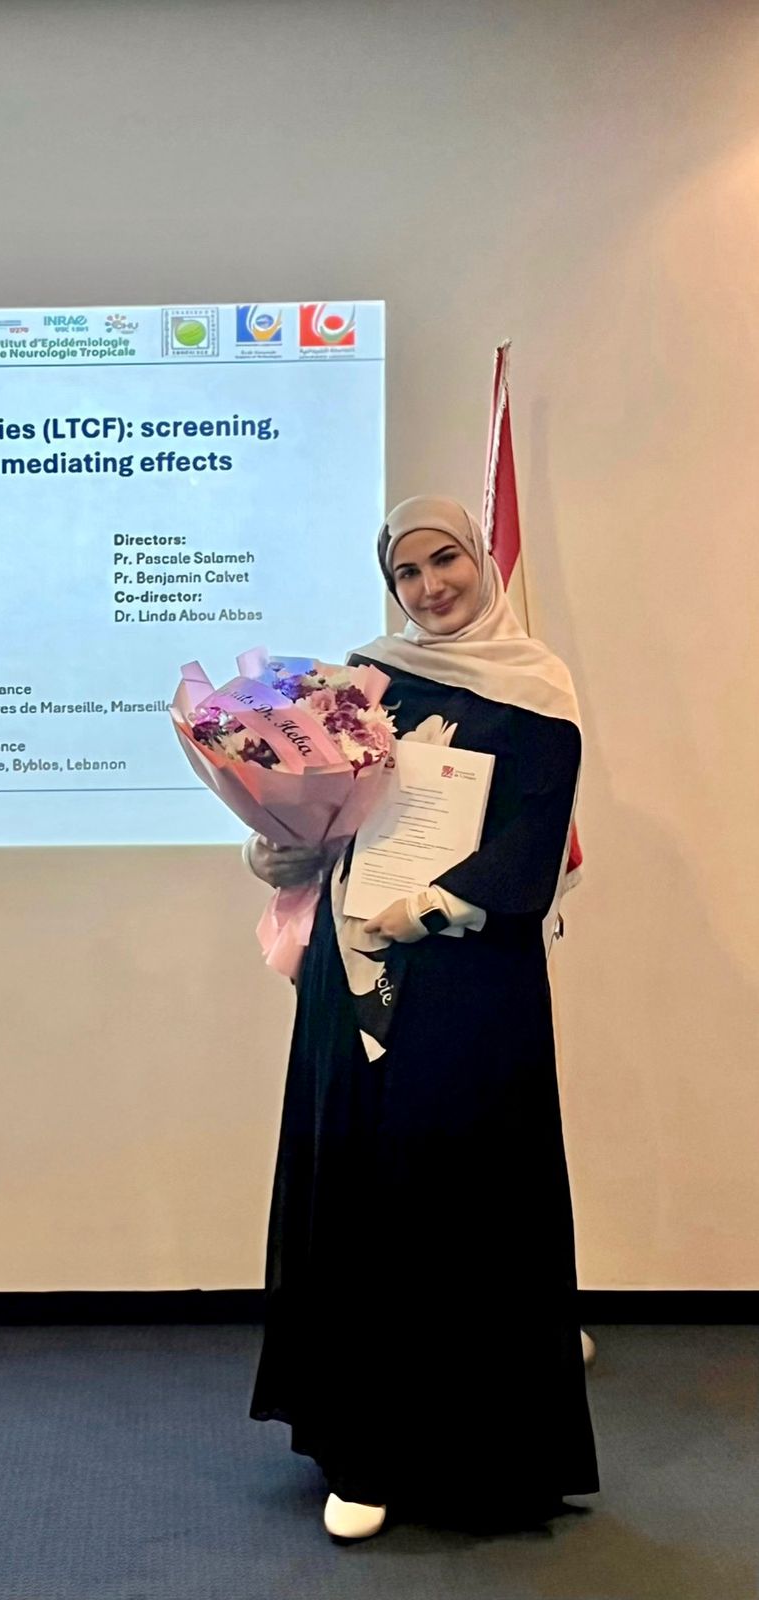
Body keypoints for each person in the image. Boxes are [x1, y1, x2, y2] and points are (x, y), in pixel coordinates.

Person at [246, 495, 599, 1540]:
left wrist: (436, 904)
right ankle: (360, 1448)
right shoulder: (364, 685)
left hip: (470, 986)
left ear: (480, 560)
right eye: (407, 571)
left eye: (446, 559)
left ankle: (467, 1454)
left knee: (457, 1192)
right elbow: (320, 817)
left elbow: (530, 844)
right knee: (355, 1189)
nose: (430, 585)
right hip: (352, 969)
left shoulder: (537, 690)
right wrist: (276, 846)